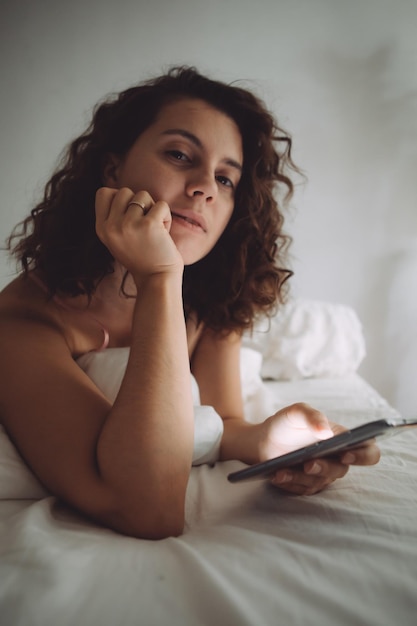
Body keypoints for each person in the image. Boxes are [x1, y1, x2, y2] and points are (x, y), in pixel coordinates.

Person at [0, 67, 379, 539]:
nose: (204, 187)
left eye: (225, 179)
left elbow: (222, 422)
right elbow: (148, 508)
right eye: (180, 155)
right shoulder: (25, 322)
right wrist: (160, 277)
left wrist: (270, 440)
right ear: (112, 169)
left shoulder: (214, 300)